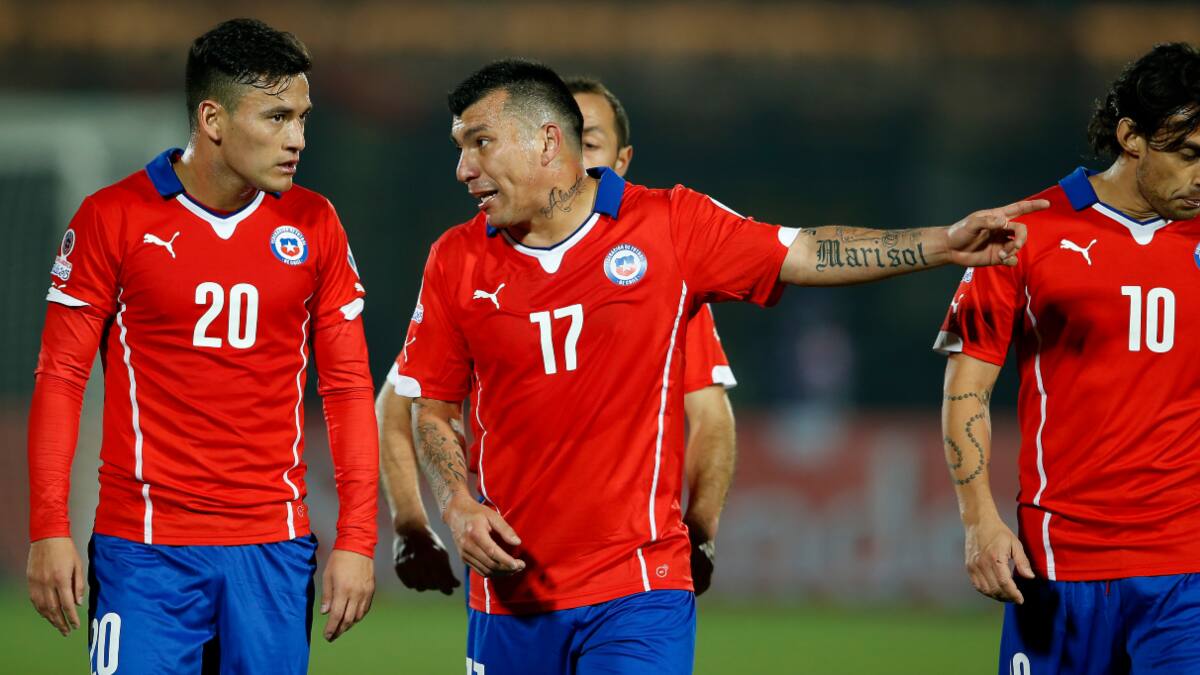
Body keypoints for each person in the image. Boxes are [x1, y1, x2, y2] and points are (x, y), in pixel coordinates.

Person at [399, 58, 1040, 675]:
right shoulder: (453, 260)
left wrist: (940, 245)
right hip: (508, 596)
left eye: (479, 143)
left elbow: (808, 251)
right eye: (459, 148)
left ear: (546, 142)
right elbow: (431, 405)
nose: (462, 169)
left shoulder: (669, 225)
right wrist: (454, 503)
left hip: (639, 586)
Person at [26, 19, 377, 674]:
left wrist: (357, 536)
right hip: (145, 548)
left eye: (302, 117)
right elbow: (60, 375)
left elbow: (350, 386)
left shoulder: (315, 222)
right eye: (276, 118)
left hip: (273, 548)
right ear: (213, 119)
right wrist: (49, 526)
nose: (297, 139)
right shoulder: (114, 217)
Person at [379, 75, 738, 597]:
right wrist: (412, 524)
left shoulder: (661, 273)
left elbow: (709, 412)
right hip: (513, 574)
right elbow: (405, 400)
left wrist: (700, 531)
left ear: (621, 162)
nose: (576, 159)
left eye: (591, 144)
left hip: (630, 579)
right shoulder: (468, 266)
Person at [935, 42, 1200, 674]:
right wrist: (979, 521)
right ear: (1130, 135)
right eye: (1188, 156)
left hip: (1185, 571)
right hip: (1059, 564)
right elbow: (966, 388)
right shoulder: (1026, 233)